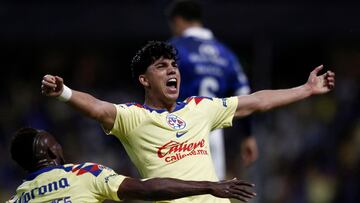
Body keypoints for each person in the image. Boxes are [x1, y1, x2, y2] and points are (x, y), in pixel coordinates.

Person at [41, 41, 335, 203]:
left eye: (174, 65)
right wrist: (63, 92)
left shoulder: (199, 108)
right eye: (161, 66)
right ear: (145, 80)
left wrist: (306, 89)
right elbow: (96, 108)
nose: (172, 70)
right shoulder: (133, 117)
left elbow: (257, 101)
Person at [7, 127, 256, 203]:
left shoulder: (16, 199)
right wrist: (209, 186)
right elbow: (147, 189)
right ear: (53, 150)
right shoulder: (83, 173)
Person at [165, 0, 258, 179]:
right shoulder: (226, 54)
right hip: (214, 132)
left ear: (177, 21)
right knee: (212, 192)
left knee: (176, 193)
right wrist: (248, 135)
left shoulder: (173, 48)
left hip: (180, 130)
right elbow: (244, 94)